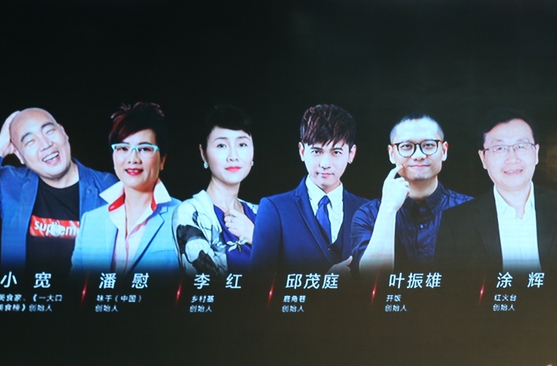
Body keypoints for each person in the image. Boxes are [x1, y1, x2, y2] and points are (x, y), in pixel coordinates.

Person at [0, 108, 117, 271]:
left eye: (49, 131)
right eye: (30, 141)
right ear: (20, 155)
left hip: (83, 288)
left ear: (63, 133)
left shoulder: (107, 186)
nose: (46, 144)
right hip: (29, 289)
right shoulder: (12, 183)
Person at [436, 109, 557, 271]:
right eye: (499, 148)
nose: (512, 158)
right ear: (483, 158)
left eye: (521, 146)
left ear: (536, 153)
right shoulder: (456, 222)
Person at [250, 105, 367, 275]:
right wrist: (323, 285)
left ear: (351, 154)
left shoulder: (367, 210)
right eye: (317, 151)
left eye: (336, 152)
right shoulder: (275, 209)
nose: (325, 164)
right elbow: (256, 284)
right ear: (302, 151)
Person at [349, 114, 471, 273]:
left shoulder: (469, 210)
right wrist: (388, 209)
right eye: (407, 146)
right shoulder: (368, 215)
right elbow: (372, 279)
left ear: (444, 150)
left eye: (428, 145)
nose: (419, 155)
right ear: (391, 154)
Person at [71, 102, 180, 276]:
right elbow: (75, 289)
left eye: (144, 149)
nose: (133, 159)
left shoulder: (186, 218)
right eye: (123, 148)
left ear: (162, 160)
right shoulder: (91, 222)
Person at [173, 105, 258, 277]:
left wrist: (255, 236)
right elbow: (207, 282)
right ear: (203, 153)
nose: (233, 156)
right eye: (221, 145)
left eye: (242, 144)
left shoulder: (262, 213)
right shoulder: (191, 213)